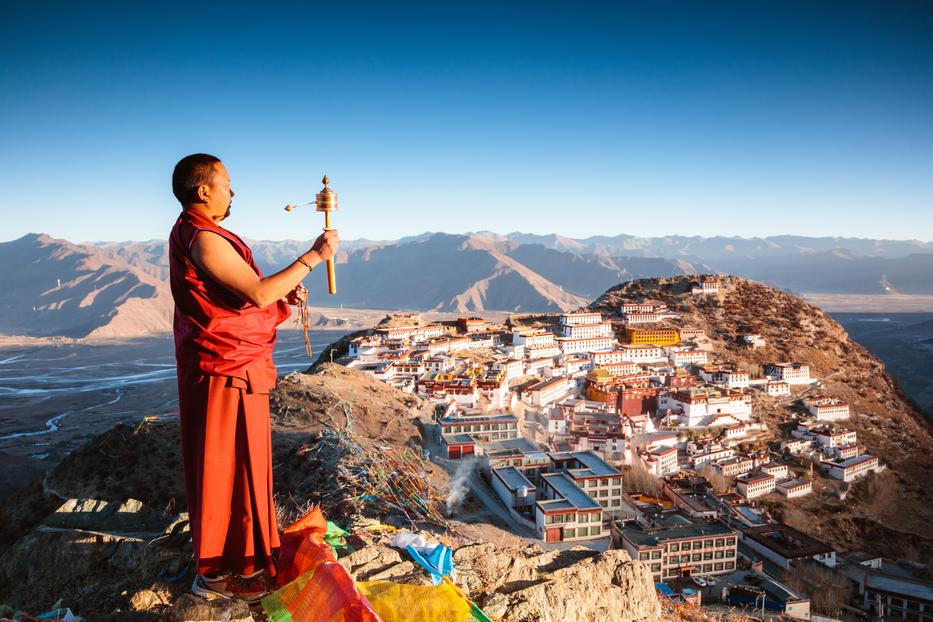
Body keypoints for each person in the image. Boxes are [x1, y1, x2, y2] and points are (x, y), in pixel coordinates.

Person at [168, 153, 339, 602]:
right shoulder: (202, 239)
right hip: (220, 370)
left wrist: (285, 295)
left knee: (244, 467)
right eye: (226, 183)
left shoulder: (203, 235)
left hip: (234, 365)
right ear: (202, 190)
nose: (232, 191)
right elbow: (258, 291)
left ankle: (243, 562)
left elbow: (244, 302)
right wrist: (313, 256)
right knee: (223, 468)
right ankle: (216, 573)